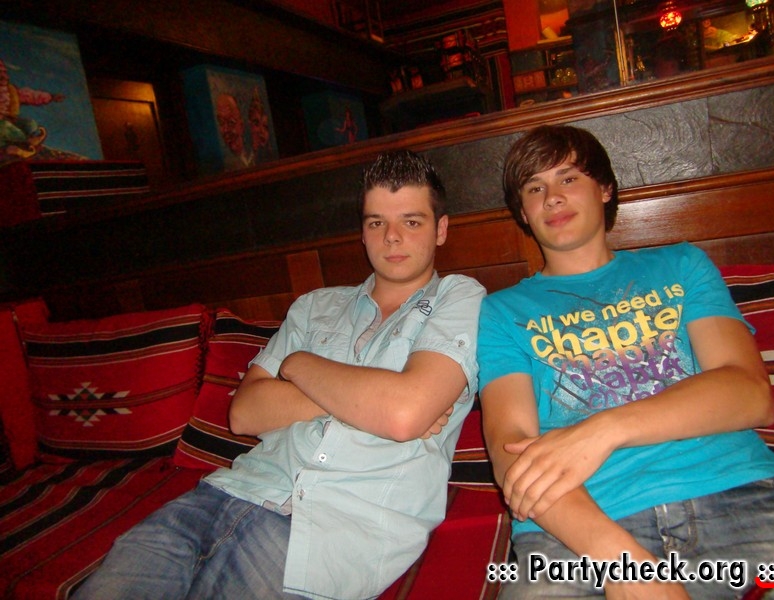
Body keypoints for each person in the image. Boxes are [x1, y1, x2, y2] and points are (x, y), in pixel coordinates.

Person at [75, 150, 485, 600]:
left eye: (411, 221)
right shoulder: (314, 306)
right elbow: (245, 413)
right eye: (376, 222)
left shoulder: (460, 298)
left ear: (440, 229)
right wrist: (370, 401)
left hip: (329, 532)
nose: (391, 237)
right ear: (362, 233)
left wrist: (299, 365)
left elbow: (403, 415)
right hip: (221, 495)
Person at [477, 124, 774, 599]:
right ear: (523, 213)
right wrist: (619, 561)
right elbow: (511, 454)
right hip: (581, 532)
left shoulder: (681, 266)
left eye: (568, 178)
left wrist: (601, 431)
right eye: (534, 187)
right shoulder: (501, 312)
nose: (552, 197)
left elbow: (750, 393)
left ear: (605, 189)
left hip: (738, 493)